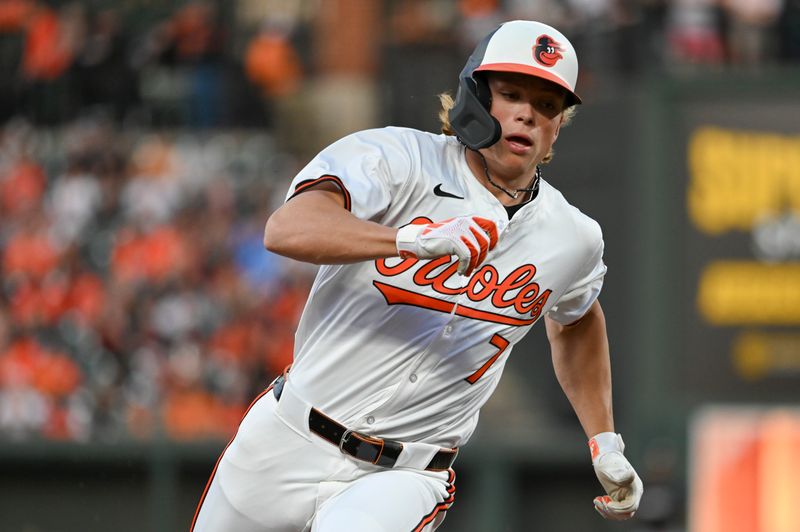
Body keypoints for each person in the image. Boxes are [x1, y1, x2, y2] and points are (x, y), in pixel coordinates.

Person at [191, 19, 643, 531]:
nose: (527, 114)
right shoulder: (398, 158)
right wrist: (407, 240)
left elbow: (577, 317)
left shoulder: (572, 235)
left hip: (405, 475)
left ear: (559, 124)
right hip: (287, 441)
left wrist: (604, 438)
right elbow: (287, 228)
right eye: (512, 93)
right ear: (474, 96)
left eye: (546, 104)